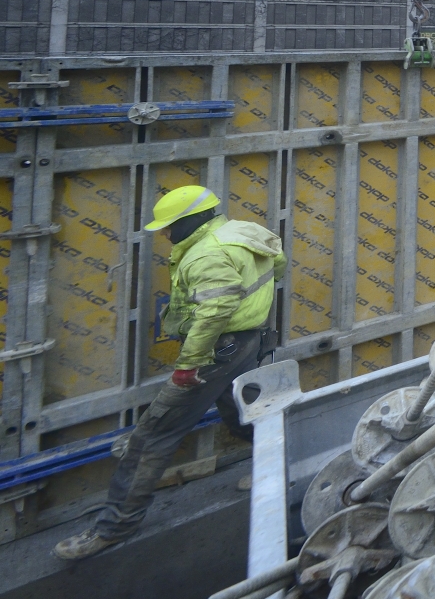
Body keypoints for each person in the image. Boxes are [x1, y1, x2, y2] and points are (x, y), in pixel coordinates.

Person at [55, 186, 284, 560]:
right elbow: (278, 265)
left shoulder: (206, 253)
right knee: (243, 413)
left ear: (190, 221)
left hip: (215, 350)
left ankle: (114, 526)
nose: (164, 234)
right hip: (247, 342)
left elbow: (215, 311)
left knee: (153, 434)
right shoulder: (243, 230)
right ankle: (275, 471)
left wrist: (189, 365)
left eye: (169, 226)